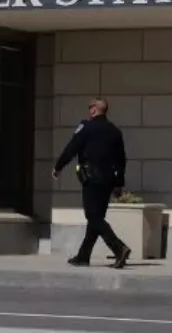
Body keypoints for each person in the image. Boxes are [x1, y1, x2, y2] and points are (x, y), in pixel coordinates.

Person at [52, 97, 131, 269]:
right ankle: (83, 256)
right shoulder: (115, 131)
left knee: (93, 217)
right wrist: (119, 183)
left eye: (90, 107)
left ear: (94, 109)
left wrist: (58, 167)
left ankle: (119, 248)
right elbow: (121, 160)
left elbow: (71, 148)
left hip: (92, 179)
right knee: (97, 218)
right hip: (109, 180)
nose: (88, 110)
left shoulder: (86, 128)